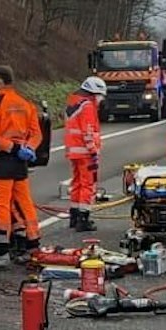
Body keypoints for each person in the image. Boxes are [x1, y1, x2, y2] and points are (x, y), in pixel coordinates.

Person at [0, 65, 42, 270]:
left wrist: (13, 148)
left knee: (1, 207)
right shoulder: (26, 104)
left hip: (3, 161)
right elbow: (37, 134)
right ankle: (33, 248)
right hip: (21, 162)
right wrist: (27, 148)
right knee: (26, 204)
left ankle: (1, 254)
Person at [63, 76, 105, 232]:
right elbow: (88, 132)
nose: (101, 100)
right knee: (87, 184)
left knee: (77, 183)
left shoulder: (73, 103)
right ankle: (83, 219)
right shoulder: (87, 106)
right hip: (85, 152)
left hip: (73, 151)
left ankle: (74, 216)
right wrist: (93, 151)